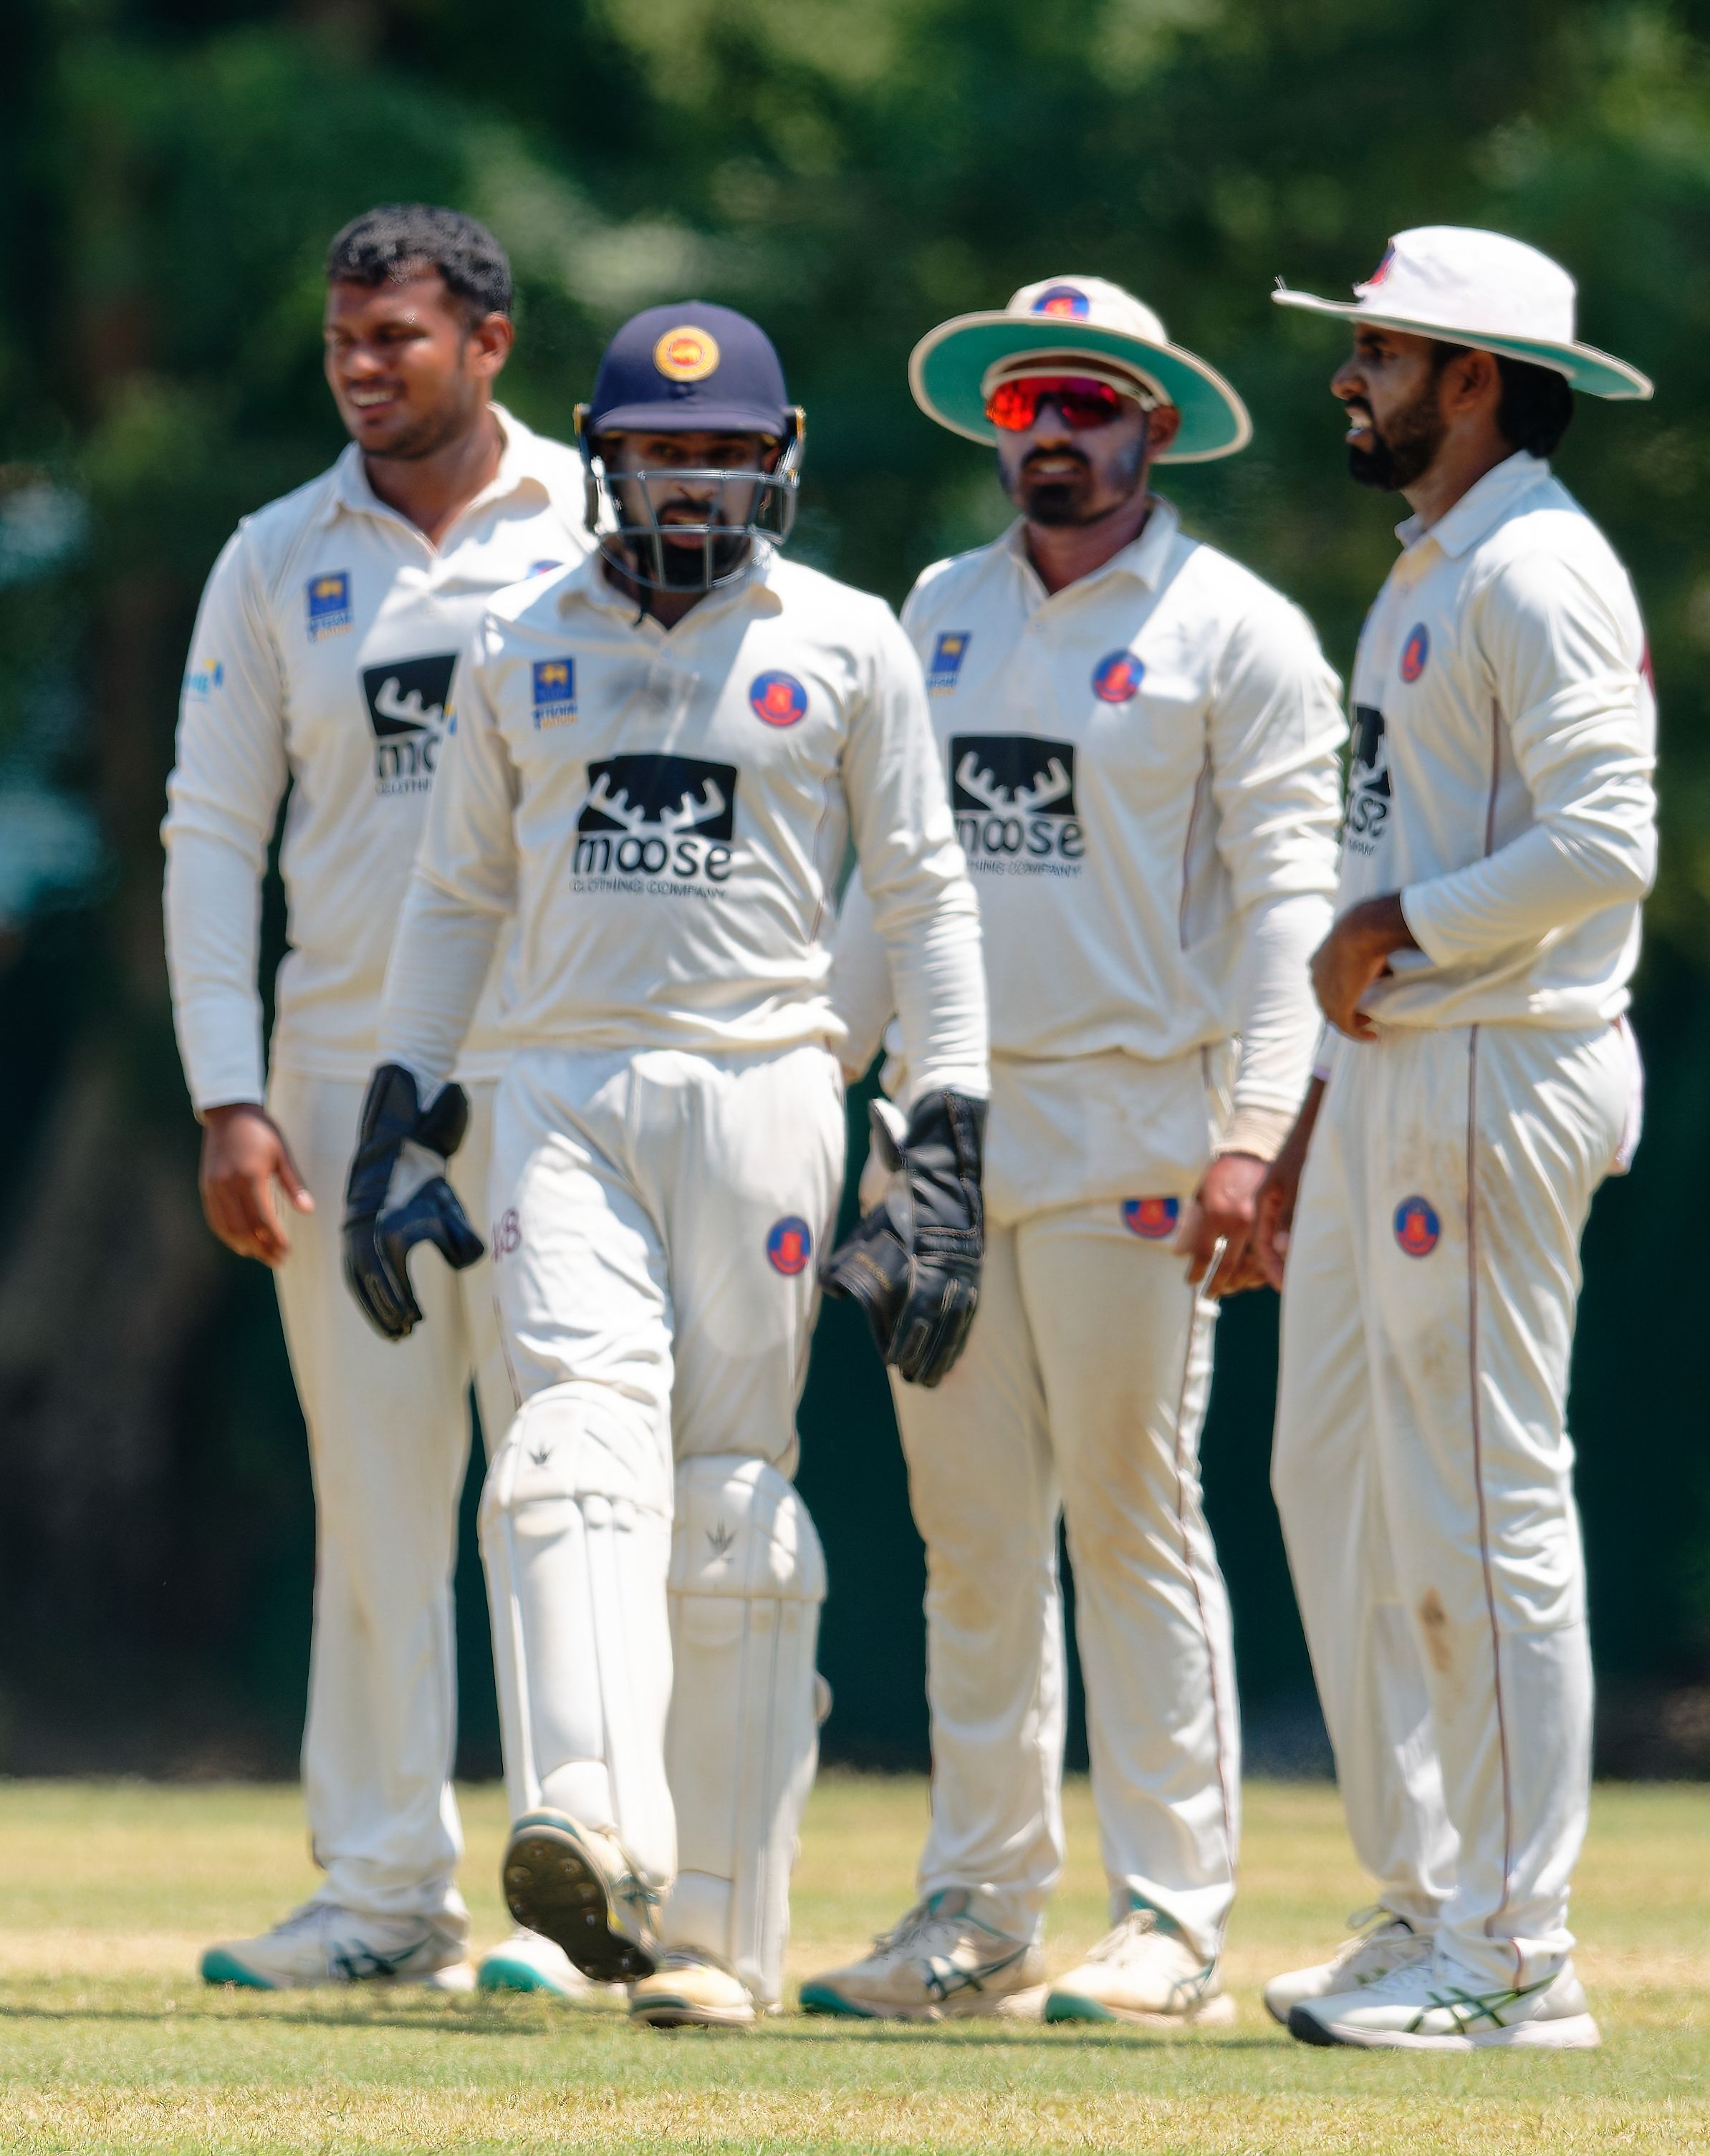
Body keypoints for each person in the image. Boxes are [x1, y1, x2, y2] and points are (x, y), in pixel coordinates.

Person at [365, 302, 989, 2030]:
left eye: (721, 452)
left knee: (726, 1499)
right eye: (656, 450)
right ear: (602, 454)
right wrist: (394, 1108)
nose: (689, 480)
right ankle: (594, 1825)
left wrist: (944, 1130)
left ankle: (714, 1933)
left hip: (765, 1089)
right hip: (554, 1082)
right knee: (564, 1443)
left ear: (775, 461)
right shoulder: (518, 640)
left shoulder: (850, 642)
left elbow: (928, 899)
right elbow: (452, 899)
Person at [805, 279, 1340, 2027]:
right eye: (1027, 406)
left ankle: (1171, 1916)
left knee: (1130, 1516)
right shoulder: (932, 612)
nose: (1053, 434)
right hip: (945, 1136)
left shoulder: (1233, 627)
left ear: (1153, 426)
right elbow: (886, 887)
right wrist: (810, 1085)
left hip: (1135, 1119)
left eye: (1087, 407)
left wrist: (1255, 1135)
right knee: (967, 1535)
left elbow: (1287, 915)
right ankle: (976, 1904)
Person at [1215, 228, 1653, 2053]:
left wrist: (1398, 929)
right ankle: (1427, 1903)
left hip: (1495, 1057)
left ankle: (1513, 1948)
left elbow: (1607, 839)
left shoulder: (1536, 567)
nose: (1348, 376)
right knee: (1344, 1489)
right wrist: (1313, 1097)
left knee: (1480, 1507)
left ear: (1472, 377)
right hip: (1403, 1068)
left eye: (1379, 350)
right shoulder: (1432, 565)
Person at [160, 205, 592, 1996]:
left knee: (569, 1482)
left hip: (559, 1066)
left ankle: (590, 1872)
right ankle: (379, 1891)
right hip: (340, 1084)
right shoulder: (276, 555)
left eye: (395, 338)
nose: (359, 365)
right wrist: (229, 1095)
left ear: (486, 342)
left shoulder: (597, 520)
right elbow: (208, 833)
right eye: (342, 338)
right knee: (378, 1493)